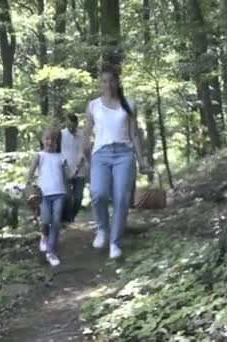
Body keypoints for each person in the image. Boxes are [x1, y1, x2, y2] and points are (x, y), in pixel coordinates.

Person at [81, 65, 152, 259]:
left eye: (111, 80)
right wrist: (85, 154)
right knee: (98, 193)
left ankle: (115, 242)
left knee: (121, 198)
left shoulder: (128, 103)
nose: (108, 85)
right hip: (100, 155)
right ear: (100, 83)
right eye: (104, 81)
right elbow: (87, 133)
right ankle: (102, 229)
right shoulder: (93, 105)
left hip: (124, 154)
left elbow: (134, 133)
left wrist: (142, 159)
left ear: (117, 81)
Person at [26, 126, 70, 267]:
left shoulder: (61, 157)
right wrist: (28, 183)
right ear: (43, 140)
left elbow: (65, 176)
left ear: (56, 141)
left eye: (52, 139)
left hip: (59, 193)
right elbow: (31, 171)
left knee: (56, 221)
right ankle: (44, 236)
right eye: (47, 139)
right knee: (46, 220)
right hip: (43, 194)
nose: (50, 141)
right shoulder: (40, 156)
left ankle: (51, 252)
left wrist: (69, 187)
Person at [60, 113, 89, 222]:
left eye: (73, 125)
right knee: (67, 197)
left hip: (79, 171)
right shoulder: (61, 135)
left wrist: (76, 171)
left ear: (76, 123)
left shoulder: (82, 135)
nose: (71, 128)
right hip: (64, 171)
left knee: (78, 198)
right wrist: (66, 170)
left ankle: (71, 218)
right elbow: (59, 153)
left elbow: (82, 154)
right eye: (69, 126)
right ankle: (66, 220)